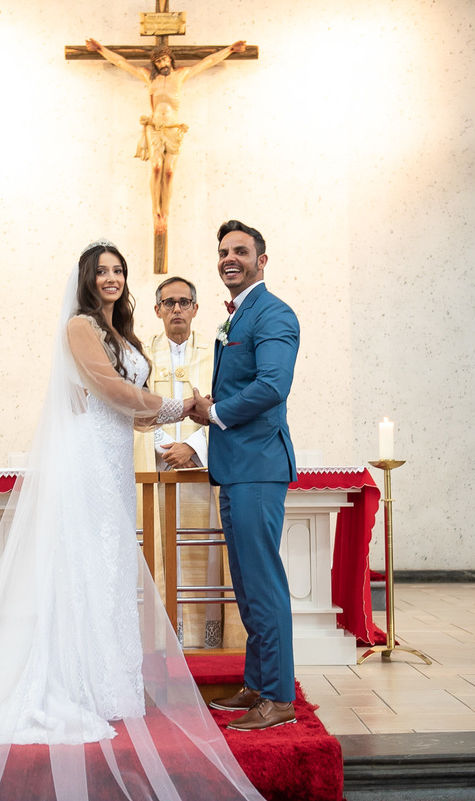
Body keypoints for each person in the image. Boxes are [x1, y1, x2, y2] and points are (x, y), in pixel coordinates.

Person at [0, 241, 263, 801]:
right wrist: (178, 407)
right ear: (85, 279)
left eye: (118, 270)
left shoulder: (121, 332)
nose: (111, 278)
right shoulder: (80, 326)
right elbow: (108, 387)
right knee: (87, 566)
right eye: (101, 271)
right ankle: (76, 684)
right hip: (86, 461)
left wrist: (162, 420)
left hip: (114, 457)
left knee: (111, 568)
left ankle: (109, 685)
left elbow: (125, 402)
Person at [191, 219, 299, 732]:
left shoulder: (273, 313)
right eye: (223, 252)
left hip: (256, 465)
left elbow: (273, 385)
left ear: (262, 259)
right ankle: (257, 682)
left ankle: (278, 697)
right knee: (246, 584)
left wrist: (214, 412)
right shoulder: (235, 317)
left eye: (240, 251)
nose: (229, 258)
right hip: (234, 467)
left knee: (263, 583)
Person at [134, 276, 226, 648]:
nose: (177, 309)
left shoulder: (218, 350)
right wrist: (162, 445)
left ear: (196, 308)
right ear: (157, 310)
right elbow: (135, 405)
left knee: (206, 551)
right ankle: (161, 637)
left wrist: (191, 445)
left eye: (184, 302)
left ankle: (209, 638)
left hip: (204, 468)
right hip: (156, 470)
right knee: (157, 545)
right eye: (169, 303)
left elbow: (225, 405)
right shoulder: (140, 353)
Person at [84, 39, 244, 235]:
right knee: (156, 167)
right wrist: (100, 48)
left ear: (170, 58)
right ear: (155, 63)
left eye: (164, 59)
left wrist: (230, 49)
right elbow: (121, 63)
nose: (162, 64)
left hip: (173, 129)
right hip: (154, 128)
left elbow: (208, 62)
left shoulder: (181, 75)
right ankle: (155, 212)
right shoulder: (149, 77)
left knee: (168, 172)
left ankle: (165, 213)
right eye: (158, 61)